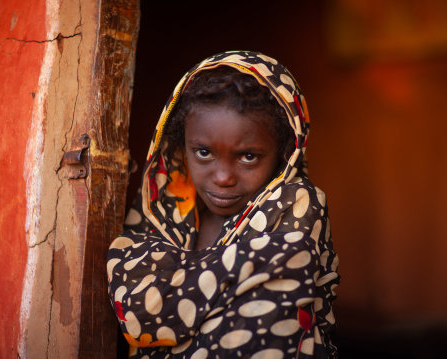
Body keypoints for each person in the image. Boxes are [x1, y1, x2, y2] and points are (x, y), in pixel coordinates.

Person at [107, 51, 340, 359]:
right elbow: (136, 310)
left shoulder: (295, 202)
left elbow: (265, 320)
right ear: (180, 144)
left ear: (286, 152)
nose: (222, 178)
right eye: (203, 152)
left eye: (248, 156)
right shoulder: (161, 211)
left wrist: (173, 284)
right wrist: (242, 266)